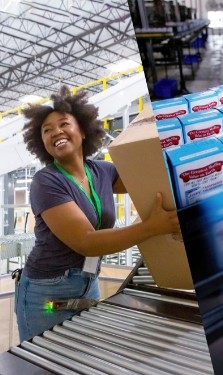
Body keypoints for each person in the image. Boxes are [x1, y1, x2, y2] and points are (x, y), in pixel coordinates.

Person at [14, 85, 180, 342]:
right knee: (46, 362)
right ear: (42, 144)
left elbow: (148, 179)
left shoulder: (102, 171)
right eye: (47, 130)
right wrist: (152, 227)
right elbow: (86, 241)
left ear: (82, 130)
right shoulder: (45, 182)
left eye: (63, 124)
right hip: (46, 293)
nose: (56, 131)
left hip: (88, 281)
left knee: (80, 353)